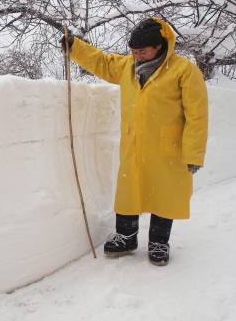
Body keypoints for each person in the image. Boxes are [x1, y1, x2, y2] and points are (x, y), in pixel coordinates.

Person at [61, 18, 208, 266]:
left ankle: (159, 242)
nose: (137, 56)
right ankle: (126, 237)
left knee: (164, 193)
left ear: (160, 46)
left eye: (142, 51)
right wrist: (74, 47)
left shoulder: (184, 70)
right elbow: (102, 62)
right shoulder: (128, 66)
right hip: (134, 143)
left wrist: (194, 154)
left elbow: (198, 115)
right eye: (133, 51)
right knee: (129, 190)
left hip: (168, 148)